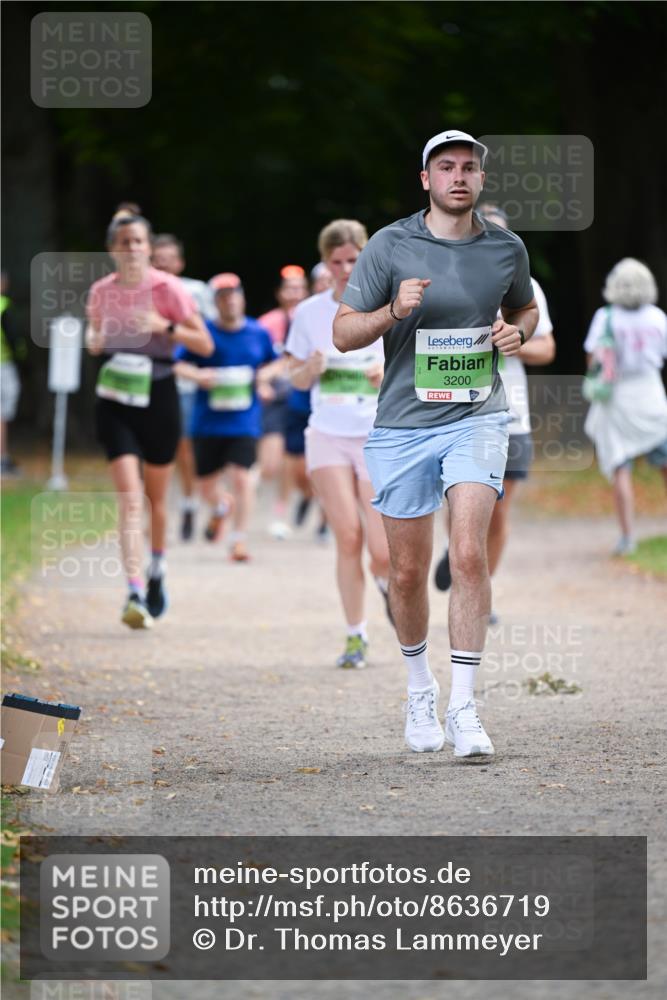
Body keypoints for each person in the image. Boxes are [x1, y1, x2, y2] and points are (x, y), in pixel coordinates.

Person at [333, 130, 538, 754]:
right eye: (445, 167)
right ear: (426, 179)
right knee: (408, 569)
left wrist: (516, 334)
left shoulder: (506, 248)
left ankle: (466, 707)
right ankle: (419, 688)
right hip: (401, 427)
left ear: (480, 179)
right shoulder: (390, 245)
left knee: (469, 553)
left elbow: (526, 311)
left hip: (477, 416)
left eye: (468, 168)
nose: (458, 176)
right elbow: (344, 333)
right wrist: (392, 311)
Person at [86, 214, 213, 629]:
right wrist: (94, 340)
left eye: (139, 241)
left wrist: (166, 326)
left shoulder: (167, 287)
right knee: (130, 496)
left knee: (157, 499)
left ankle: (157, 570)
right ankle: (134, 588)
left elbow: (205, 344)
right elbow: (94, 337)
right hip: (115, 397)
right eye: (124, 241)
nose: (132, 248)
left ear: (148, 246)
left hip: (158, 394)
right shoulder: (101, 291)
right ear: (113, 249)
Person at [433, 204, 556, 623]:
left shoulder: (528, 287)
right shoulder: (446, 280)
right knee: (462, 502)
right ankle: (459, 553)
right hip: (458, 412)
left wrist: (512, 338)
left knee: (499, 512)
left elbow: (547, 348)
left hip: (511, 413)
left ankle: (484, 589)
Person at [286, 219, 390, 669]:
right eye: (337, 261)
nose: (346, 268)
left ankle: (389, 589)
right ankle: (355, 635)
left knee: (382, 552)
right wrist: (309, 369)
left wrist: (385, 376)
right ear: (325, 263)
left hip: (376, 434)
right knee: (347, 537)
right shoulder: (309, 313)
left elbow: (410, 372)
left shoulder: (387, 306)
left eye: (353, 259)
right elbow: (292, 377)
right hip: (326, 433)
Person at [174, 272, 283, 562]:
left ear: (242, 298)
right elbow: (177, 364)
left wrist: (263, 378)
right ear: (215, 302)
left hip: (243, 420)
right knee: (205, 487)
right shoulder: (204, 333)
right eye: (223, 297)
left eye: (234, 295)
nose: (230, 302)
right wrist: (198, 375)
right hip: (207, 421)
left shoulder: (257, 332)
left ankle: (238, 540)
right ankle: (222, 505)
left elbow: (277, 363)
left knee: (242, 477)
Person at [583, 257, 667, 555]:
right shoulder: (658, 317)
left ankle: (627, 536)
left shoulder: (606, 317)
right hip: (652, 396)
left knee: (620, 467)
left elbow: (592, 360)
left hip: (617, 398)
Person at [152, 233, 215, 541]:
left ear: (179, 263)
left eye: (168, 260)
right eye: (157, 260)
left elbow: (209, 334)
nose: (163, 266)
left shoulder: (195, 291)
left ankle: (190, 502)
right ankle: (155, 508)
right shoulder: (141, 290)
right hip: (148, 378)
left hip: (185, 380)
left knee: (184, 446)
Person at [257, 265, 309, 539]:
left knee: (303, 472)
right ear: (279, 293)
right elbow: (258, 360)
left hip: (306, 401)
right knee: (274, 463)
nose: (294, 294)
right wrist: (263, 379)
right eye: (289, 288)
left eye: (299, 288)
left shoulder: (317, 319)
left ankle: (309, 499)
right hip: (277, 401)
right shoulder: (267, 324)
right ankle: (279, 513)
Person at [0, 272, 25, 476]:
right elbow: (15, 339)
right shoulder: (4, 305)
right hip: (3, 365)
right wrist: (21, 357)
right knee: (2, 413)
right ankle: (2, 458)